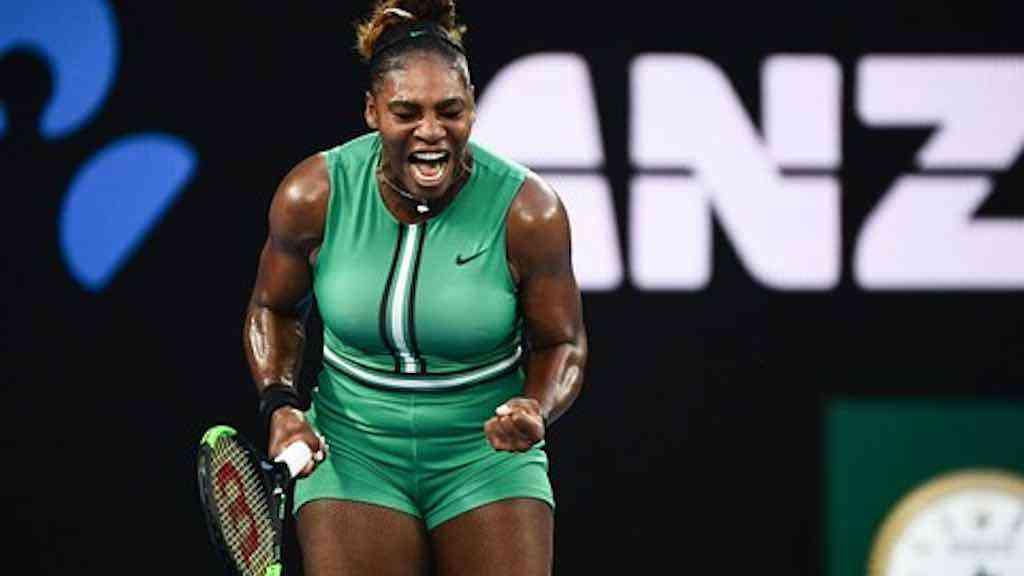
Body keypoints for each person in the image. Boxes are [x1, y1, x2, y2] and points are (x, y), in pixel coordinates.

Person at [242, 0, 587, 573]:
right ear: (372, 111)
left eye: (450, 110)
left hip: (485, 454)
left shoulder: (529, 211)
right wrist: (280, 403)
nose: (431, 131)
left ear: (472, 106)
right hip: (351, 450)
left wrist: (536, 406)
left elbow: (563, 342)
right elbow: (272, 309)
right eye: (406, 112)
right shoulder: (313, 194)